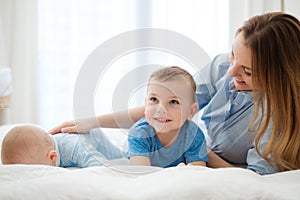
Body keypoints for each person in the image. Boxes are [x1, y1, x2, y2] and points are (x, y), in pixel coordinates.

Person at [49, 12, 300, 175]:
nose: (231, 70)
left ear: (276, 77)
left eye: (247, 70)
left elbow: (254, 179)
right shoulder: (223, 67)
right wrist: (92, 121)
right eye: (233, 54)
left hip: (207, 165)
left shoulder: (278, 118)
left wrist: (196, 148)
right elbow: (168, 105)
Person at [127, 66, 207, 167]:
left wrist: (187, 172)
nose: (161, 109)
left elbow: (198, 171)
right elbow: (141, 172)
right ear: (145, 103)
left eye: (174, 101)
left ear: (190, 112)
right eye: (154, 99)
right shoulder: (139, 133)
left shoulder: (193, 134)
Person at [1, 125, 128, 167]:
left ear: (52, 157)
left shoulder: (73, 147)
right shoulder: (43, 150)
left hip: (96, 141)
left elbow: (99, 165)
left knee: (120, 156)